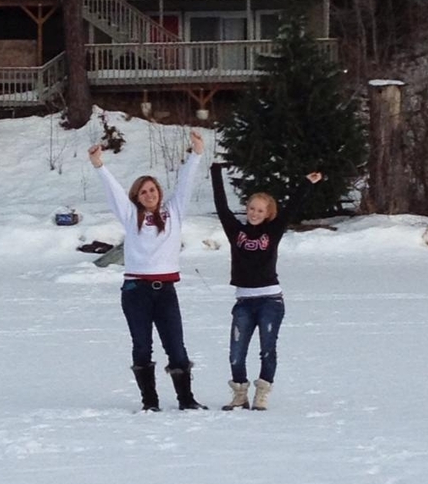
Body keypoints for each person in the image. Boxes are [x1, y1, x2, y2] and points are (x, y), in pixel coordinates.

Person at [88, 132, 207, 412]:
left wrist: (197, 154)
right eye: (143, 192)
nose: (149, 194)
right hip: (136, 291)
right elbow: (114, 192)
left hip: (165, 292)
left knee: (176, 346)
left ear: (159, 193)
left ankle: (186, 399)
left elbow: (186, 183)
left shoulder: (173, 213)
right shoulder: (131, 217)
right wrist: (98, 165)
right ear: (137, 197)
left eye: (152, 190)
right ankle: (149, 402)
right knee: (142, 346)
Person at [211, 162, 322, 411]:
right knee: (236, 353)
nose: (254, 213)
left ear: (268, 213)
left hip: (270, 300)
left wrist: (306, 183)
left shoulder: (273, 231)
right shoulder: (236, 231)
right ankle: (240, 393)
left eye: (260, 210)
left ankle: (262, 393)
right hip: (243, 301)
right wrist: (216, 172)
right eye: (251, 208)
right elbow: (221, 207)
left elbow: (292, 207)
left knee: (267, 350)